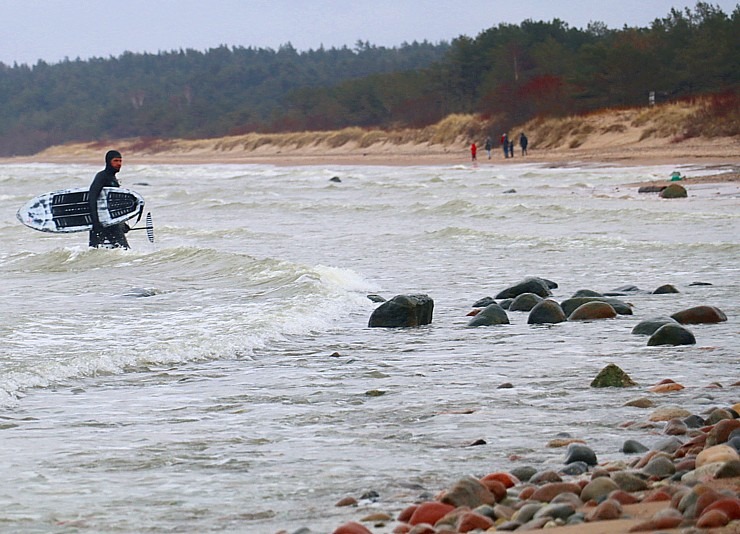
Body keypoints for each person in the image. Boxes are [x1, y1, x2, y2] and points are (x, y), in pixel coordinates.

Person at [89, 150, 130, 249]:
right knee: (124, 250)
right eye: (115, 161)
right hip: (101, 222)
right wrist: (95, 222)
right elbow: (92, 198)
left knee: (102, 251)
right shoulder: (102, 177)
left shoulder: (113, 179)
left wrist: (122, 223)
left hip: (112, 222)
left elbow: (112, 205)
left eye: (120, 161)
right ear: (108, 161)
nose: (119, 164)